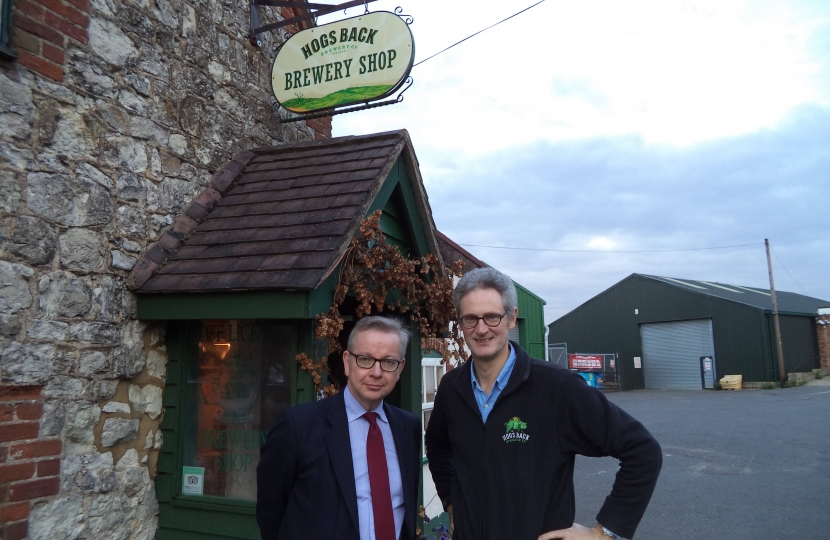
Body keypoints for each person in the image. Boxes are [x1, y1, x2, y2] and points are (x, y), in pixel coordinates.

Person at [425, 268, 662, 540]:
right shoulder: (452, 388)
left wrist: (605, 532)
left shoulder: (557, 387)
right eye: (470, 319)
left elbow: (642, 450)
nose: (481, 329)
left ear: (511, 318)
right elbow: (438, 445)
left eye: (492, 317)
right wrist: (452, 504)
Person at [257, 316, 422, 540]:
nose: (376, 372)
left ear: (400, 368)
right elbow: (271, 510)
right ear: (347, 361)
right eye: (365, 359)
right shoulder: (298, 426)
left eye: (388, 362)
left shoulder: (408, 428)